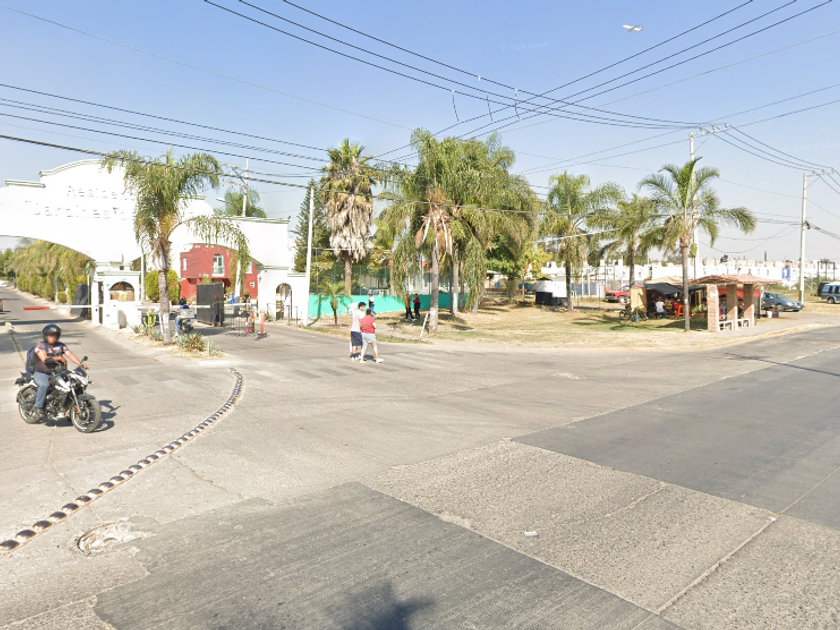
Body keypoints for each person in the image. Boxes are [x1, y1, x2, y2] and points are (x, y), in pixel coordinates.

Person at [32, 324, 88, 418]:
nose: (53, 337)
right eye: (51, 335)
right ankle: (38, 406)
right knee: (45, 385)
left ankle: (69, 406)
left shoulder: (60, 345)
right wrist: (59, 358)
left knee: (72, 384)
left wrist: (80, 364)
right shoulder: (40, 346)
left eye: (55, 335)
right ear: (45, 336)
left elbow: (70, 355)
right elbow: (44, 359)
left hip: (58, 373)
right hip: (42, 373)